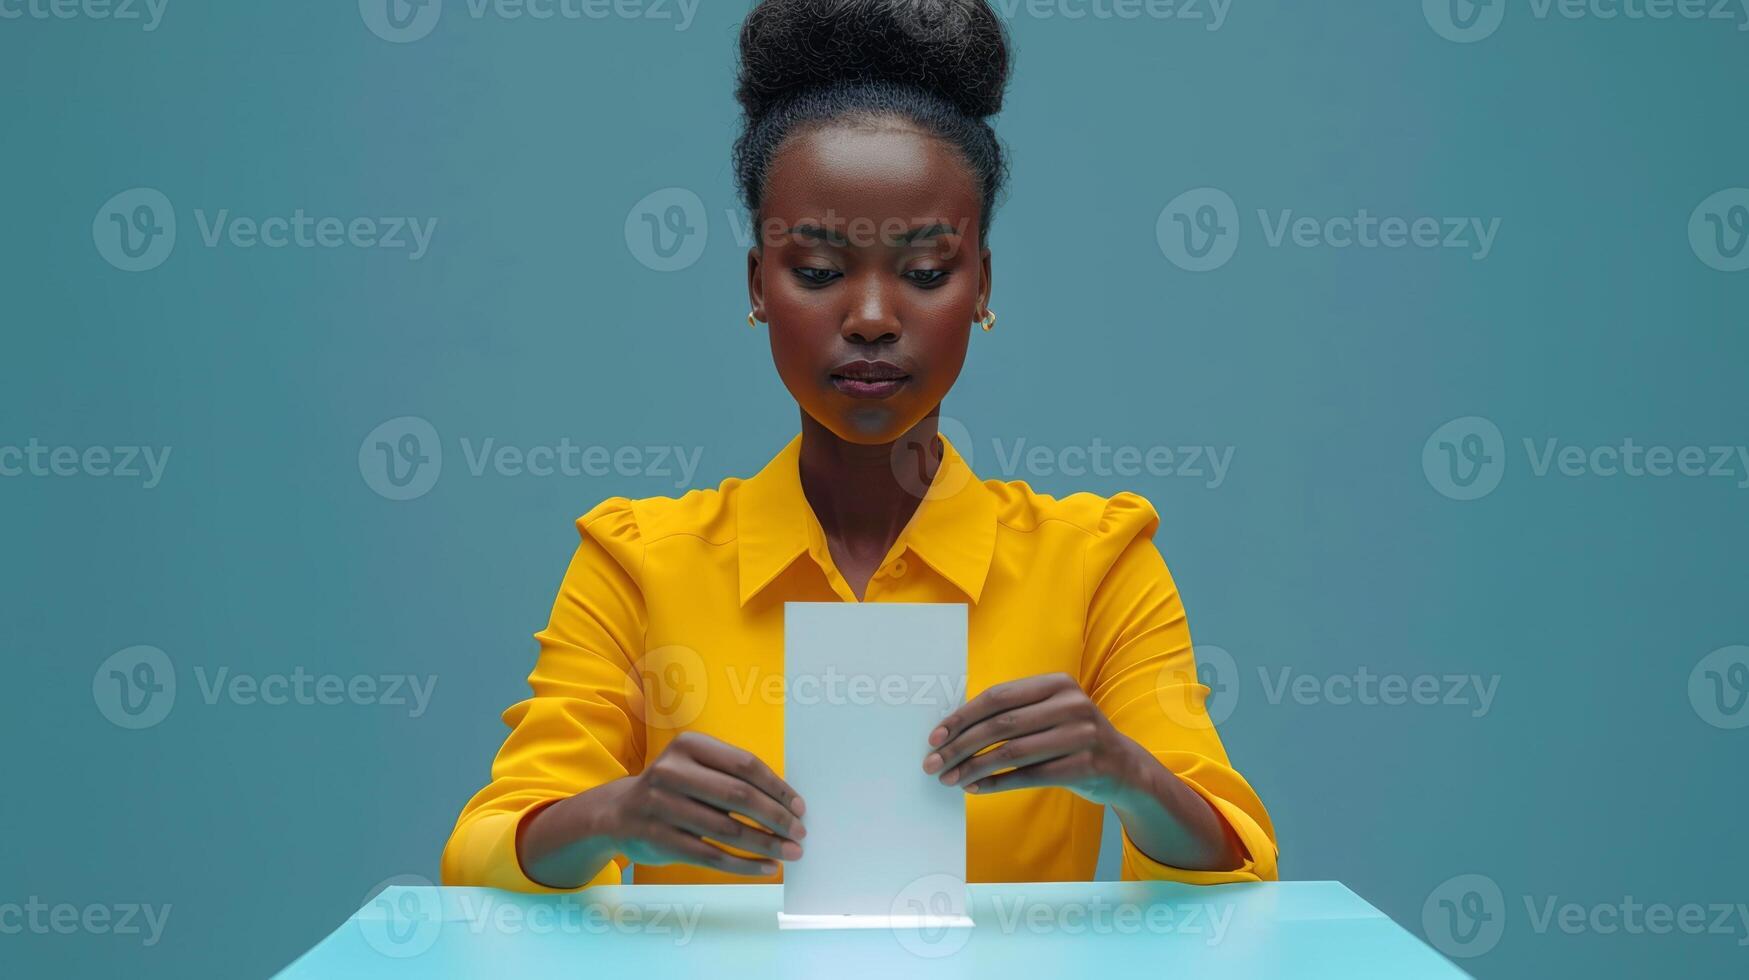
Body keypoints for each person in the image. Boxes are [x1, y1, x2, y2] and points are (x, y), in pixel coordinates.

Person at [442, 0, 1277, 893]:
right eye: (817, 272)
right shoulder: (639, 565)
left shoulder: (1095, 562)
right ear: (758, 285)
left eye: (924, 273)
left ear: (981, 285)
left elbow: (1240, 864)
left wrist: (1129, 775)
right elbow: (481, 852)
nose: (872, 319)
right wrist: (614, 816)